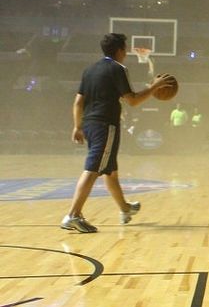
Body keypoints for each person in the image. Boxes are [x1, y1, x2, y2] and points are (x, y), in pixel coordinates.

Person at [61, 33, 175, 233]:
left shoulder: (90, 70)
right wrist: (153, 87)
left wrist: (77, 126)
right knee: (94, 168)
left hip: (89, 123)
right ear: (121, 51)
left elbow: (79, 101)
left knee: (110, 170)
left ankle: (125, 208)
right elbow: (132, 100)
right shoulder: (118, 69)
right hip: (106, 125)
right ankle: (73, 215)